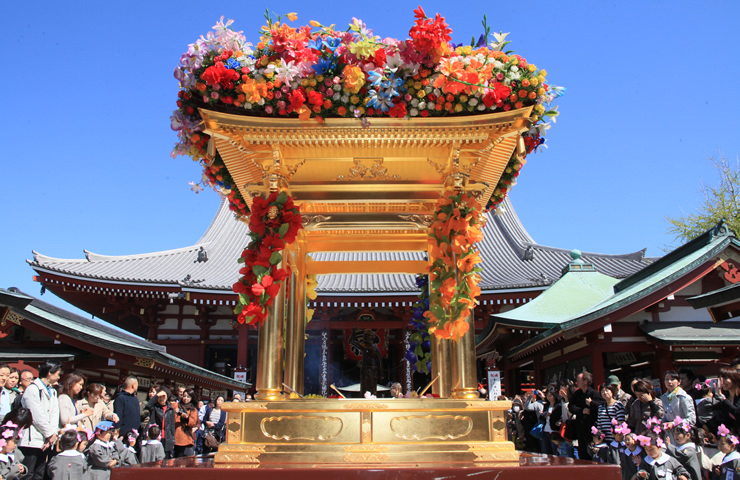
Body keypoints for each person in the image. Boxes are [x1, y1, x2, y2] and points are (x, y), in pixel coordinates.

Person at [19, 359, 62, 480]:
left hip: (46, 440)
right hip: (32, 438)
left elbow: (54, 414)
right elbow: (36, 415)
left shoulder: (52, 391)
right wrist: (49, 433)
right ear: (50, 372)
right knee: (28, 473)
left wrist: (52, 435)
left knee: (39, 473)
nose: (59, 377)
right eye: (57, 373)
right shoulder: (33, 389)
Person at [569, 371, 605, 460]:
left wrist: (592, 404)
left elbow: (601, 406)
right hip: (580, 428)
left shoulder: (594, 393)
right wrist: (582, 411)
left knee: (593, 452)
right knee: (582, 453)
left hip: (592, 429)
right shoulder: (577, 394)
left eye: (579, 380)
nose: (577, 382)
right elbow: (571, 407)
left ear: (585, 381)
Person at [145, 387, 176, 458]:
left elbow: (172, 426)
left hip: (167, 437)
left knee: (166, 459)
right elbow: (148, 405)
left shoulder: (170, 409)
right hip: (156, 436)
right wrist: (157, 395)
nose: (161, 398)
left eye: (163, 396)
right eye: (160, 396)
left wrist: (173, 440)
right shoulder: (155, 407)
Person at [173, 389, 198, 457]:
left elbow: (193, 422)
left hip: (186, 434)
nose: (185, 398)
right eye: (184, 396)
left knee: (185, 458)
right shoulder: (177, 406)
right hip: (176, 433)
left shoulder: (193, 409)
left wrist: (186, 417)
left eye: (188, 397)